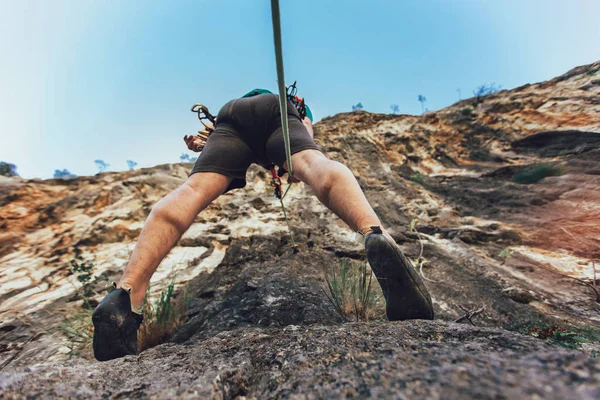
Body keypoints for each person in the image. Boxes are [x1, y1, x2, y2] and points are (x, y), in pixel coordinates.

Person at [92, 89, 434, 362]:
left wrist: (205, 144)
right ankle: (376, 235)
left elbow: (220, 142)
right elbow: (306, 141)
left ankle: (124, 296)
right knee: (313, 163)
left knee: (192, 190)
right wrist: (293, 159)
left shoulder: (240, 107)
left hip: (230, 116)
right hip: (278, 109)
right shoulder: (299, 109)